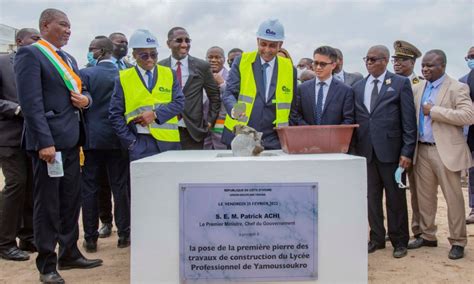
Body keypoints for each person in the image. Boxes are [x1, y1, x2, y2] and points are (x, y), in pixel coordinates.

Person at [14, 8, 102, 283]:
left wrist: (86, 100)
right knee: (48, 205)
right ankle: (47, 264)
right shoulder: (31, 54)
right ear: (45, 25)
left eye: (70, 26)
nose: (68, 30)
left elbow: (82, 91)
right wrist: (44, 142)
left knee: (69, 201)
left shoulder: (68, 58)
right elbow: (31, 103)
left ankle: (69, 252)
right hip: (49, 145)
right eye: (63, 25)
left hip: (73, 140)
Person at [408, 50, 473, 260]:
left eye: (430, 66)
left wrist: (435, 111)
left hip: (445, 151)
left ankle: (457, 241)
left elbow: (468, 115)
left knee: (453, 199)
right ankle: (427, 235)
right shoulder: (417, 88)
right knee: (424, 198)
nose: (425, 69)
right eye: (423, 66)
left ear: (442, 66)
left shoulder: (457, 87)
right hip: (422, 148)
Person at [353, 45, 416, 258]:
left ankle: (399, 241)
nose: (369, 63)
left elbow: (408, 121)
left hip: (392, 153)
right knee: (372, 198)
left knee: (395, 198)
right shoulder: (359, 86)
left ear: (385, 60)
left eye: (373, 59)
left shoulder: (399, 83)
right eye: (367, 59)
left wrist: (407, 152)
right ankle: (377, 239)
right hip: (366, 152)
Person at [79, 36, 130, 252]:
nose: (89, 52)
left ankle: (90, 238)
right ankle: (125, 235)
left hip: (92, 140)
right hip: (119, 139)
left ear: (102, 51)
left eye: (92, 49)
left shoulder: (86, 74)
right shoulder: (126, 76)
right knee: (120, 187)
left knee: (90, 188)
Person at [109, 29, 184, 161]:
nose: (150, 59)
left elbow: (179, 103)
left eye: (153, 55)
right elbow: (115, 115)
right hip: (140, 142)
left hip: (169, 142)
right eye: (144, 55)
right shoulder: (123, 78)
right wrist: (131, 142)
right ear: (135, 55)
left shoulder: (169, 74)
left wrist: (155, 114)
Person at [222, 19, 297, 149]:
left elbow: (293, 105)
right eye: (263, 44)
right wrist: (235, 110)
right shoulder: (242, 61)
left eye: (272, 45)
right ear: (257, 41)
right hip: (241, 133)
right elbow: (229, 93)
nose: (267, 50)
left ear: (280, 44)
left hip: (275, 139)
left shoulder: (289, 69)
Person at [0, 28, 39, 262]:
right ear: (19, 41)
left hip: (32, 138)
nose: (38, 43)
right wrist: (16, 109)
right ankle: (5, 242)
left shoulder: (38, 65)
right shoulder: (3, 63)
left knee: (31, 187)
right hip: (9, 137)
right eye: (34, 39)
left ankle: (28, 236)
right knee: (16, 185)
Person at [158, 27, 220, 150]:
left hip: (193, 130)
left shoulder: (201, 66)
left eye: (187, 41)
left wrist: (209, 122)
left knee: (193, 168)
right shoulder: (160, 66)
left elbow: (215, 96)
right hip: (166, 128)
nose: (184, 44)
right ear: (168, 43)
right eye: (179, 40)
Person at [97, 32, 132, 239]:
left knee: (123, 183)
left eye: (126, 42)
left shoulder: (130, 69)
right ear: (109, 45)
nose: (124, 45)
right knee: (103, 183)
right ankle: (106, 221)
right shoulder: (93, 68)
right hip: (102, 134)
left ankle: (125, 225)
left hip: (125, 134)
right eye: (120, 42)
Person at [390, 40, 424, 241]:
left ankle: (418, 230)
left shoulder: (419, 85)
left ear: (413, 62)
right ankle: (394, 229)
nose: (397, 64)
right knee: (394, 193)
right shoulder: (389, 82)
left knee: (418, 193)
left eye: (402, 60)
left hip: (416, 146)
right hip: (393, 146)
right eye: (395, 60)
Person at [290, 46, 354, 126]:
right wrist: (311, 131)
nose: (318, 67)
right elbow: (295, 115)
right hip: (307, 136)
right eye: (316, 63)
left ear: (333, 65)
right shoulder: (301, 89)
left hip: (334, 137)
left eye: (323, 64)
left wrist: (331, 135)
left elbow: (348, 119)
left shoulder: (345, 91)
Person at [203, 46, 229, 150]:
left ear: (224, 60)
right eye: (210, 57)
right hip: (204, 129)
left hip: (222, 129)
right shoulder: (199, 76)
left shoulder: (231, 76)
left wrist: (222, 83)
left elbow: (235, 97)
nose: (213, 60)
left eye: (217, 57)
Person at [460, 46, 474, 225]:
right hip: (471, 135)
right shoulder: (464, 81)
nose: (471, 59)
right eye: (469, 57)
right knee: (473, 174)